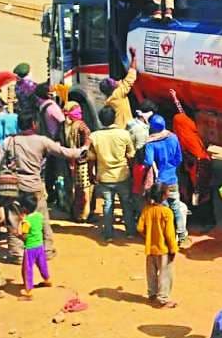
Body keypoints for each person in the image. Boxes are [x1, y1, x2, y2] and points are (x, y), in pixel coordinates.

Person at [0, 112, 84, 262]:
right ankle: (47, 250)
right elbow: (65, 153)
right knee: (41, 218)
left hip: (13, 187)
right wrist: (84, 148)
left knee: (13, 219)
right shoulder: (42, 141)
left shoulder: (9, 141)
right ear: (34, 124)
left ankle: (17, 253)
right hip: (34, 185)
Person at [88, 105, 136, 241]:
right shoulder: (124, 134)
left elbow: (91, 158)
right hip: (122, 175)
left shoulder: (94, 136)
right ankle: (130, 232)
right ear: (114, 118)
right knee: (126, 203)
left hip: (104, 177)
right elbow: (131, 155)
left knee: (108, 204)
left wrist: (91, 175)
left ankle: (108, 234)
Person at [144, 115, 187, 246]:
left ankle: (167, 236)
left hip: (159, 183)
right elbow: (179, 158)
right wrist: (171, 167)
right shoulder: (173, 137)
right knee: (176, 207)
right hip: (173, 180)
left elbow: (148, 161)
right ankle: (181, 234)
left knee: (164, 211)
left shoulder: (151, 143)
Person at [137, 183, 179, 308]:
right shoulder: (167, 212)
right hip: (164, 249)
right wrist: (173, 249)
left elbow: (139, 228)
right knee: (165, 274)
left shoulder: (147, 210)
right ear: (164, 196)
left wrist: (148, 237)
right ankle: (163, 299)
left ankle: (152, 294)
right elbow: (169, 234)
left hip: (150, 248)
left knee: (151, 272)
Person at [169, 90, 211, 208]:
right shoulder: (190, 128)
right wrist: (175, 98)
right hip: (202, 161)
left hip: (195, 165)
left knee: (194, 187)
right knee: (200, 187)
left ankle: (195, 207)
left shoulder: (178, 136)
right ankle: (200, 205)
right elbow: (181, 113)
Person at [17, 193, 52, 299]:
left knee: (27, 269)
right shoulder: (39, 216)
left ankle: (28, 291)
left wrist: (21, 223)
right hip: (39, 245)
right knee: (42, 264)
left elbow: (24, 235)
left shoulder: (26, 221)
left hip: (30, 248)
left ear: (24, 208)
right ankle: (47, 280)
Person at [63, 101, 93, 222]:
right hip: (82, 162)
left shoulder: (66, 126)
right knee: (85, 190)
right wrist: (85, 147)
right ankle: (84, 215)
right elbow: (87, 136)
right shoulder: (81, 125)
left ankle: (76, 213)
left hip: (71, 160)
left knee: (76, 189)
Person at [99, 48, 137, 128]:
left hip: (118, 128)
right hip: (126, 129)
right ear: (113, 88)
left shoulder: (108, 100)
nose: (117, 81)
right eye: (114, 82)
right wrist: (133, 57)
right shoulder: (119, 93)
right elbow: (131, 74)